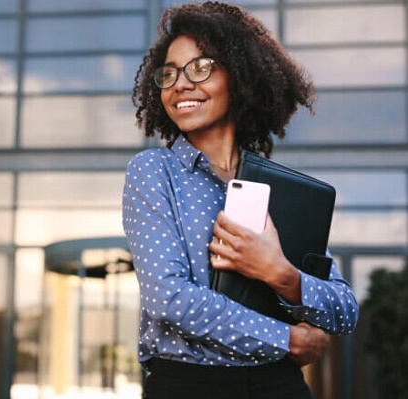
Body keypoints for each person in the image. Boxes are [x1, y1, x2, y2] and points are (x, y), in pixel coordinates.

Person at [121, 2, 359, 398]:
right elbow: (170, 299)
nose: (180, 84)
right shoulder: (154, 171)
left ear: (239, 75)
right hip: (188, 386)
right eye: (169, 73)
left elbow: (344, 309)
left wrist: (281, 274)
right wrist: (287, 339)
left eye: (200, 68)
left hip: (280, 386)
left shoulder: (278, 191)